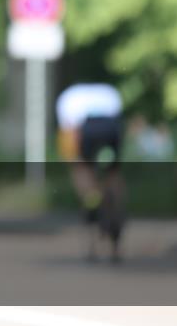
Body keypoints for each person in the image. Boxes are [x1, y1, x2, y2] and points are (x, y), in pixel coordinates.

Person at [55, 82, 125, 260]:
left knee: (82, 169)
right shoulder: (110, 91)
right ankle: (115, 203)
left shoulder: (68, 97)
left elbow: (70, 137)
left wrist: (76, 164)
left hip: (87, 129)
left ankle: (91, 200)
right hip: (111, 128)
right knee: (113, 173)